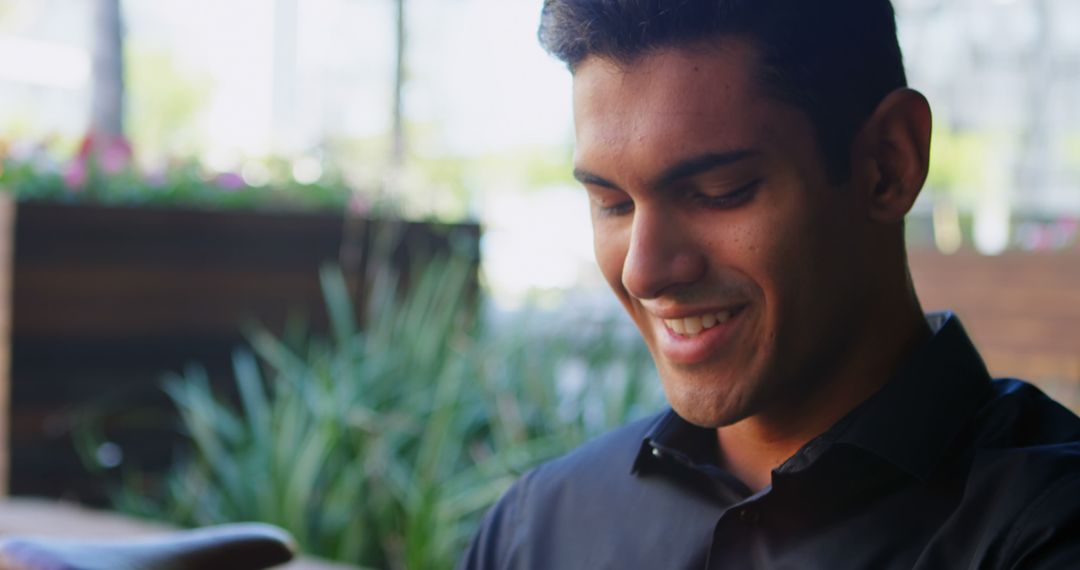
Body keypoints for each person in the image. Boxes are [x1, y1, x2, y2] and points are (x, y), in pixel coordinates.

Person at [458, 1, 1080, 568]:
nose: (641, 270)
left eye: (718, 193)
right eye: (612, 204)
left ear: (888, 164)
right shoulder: (536, 529)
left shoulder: (1046, 529)